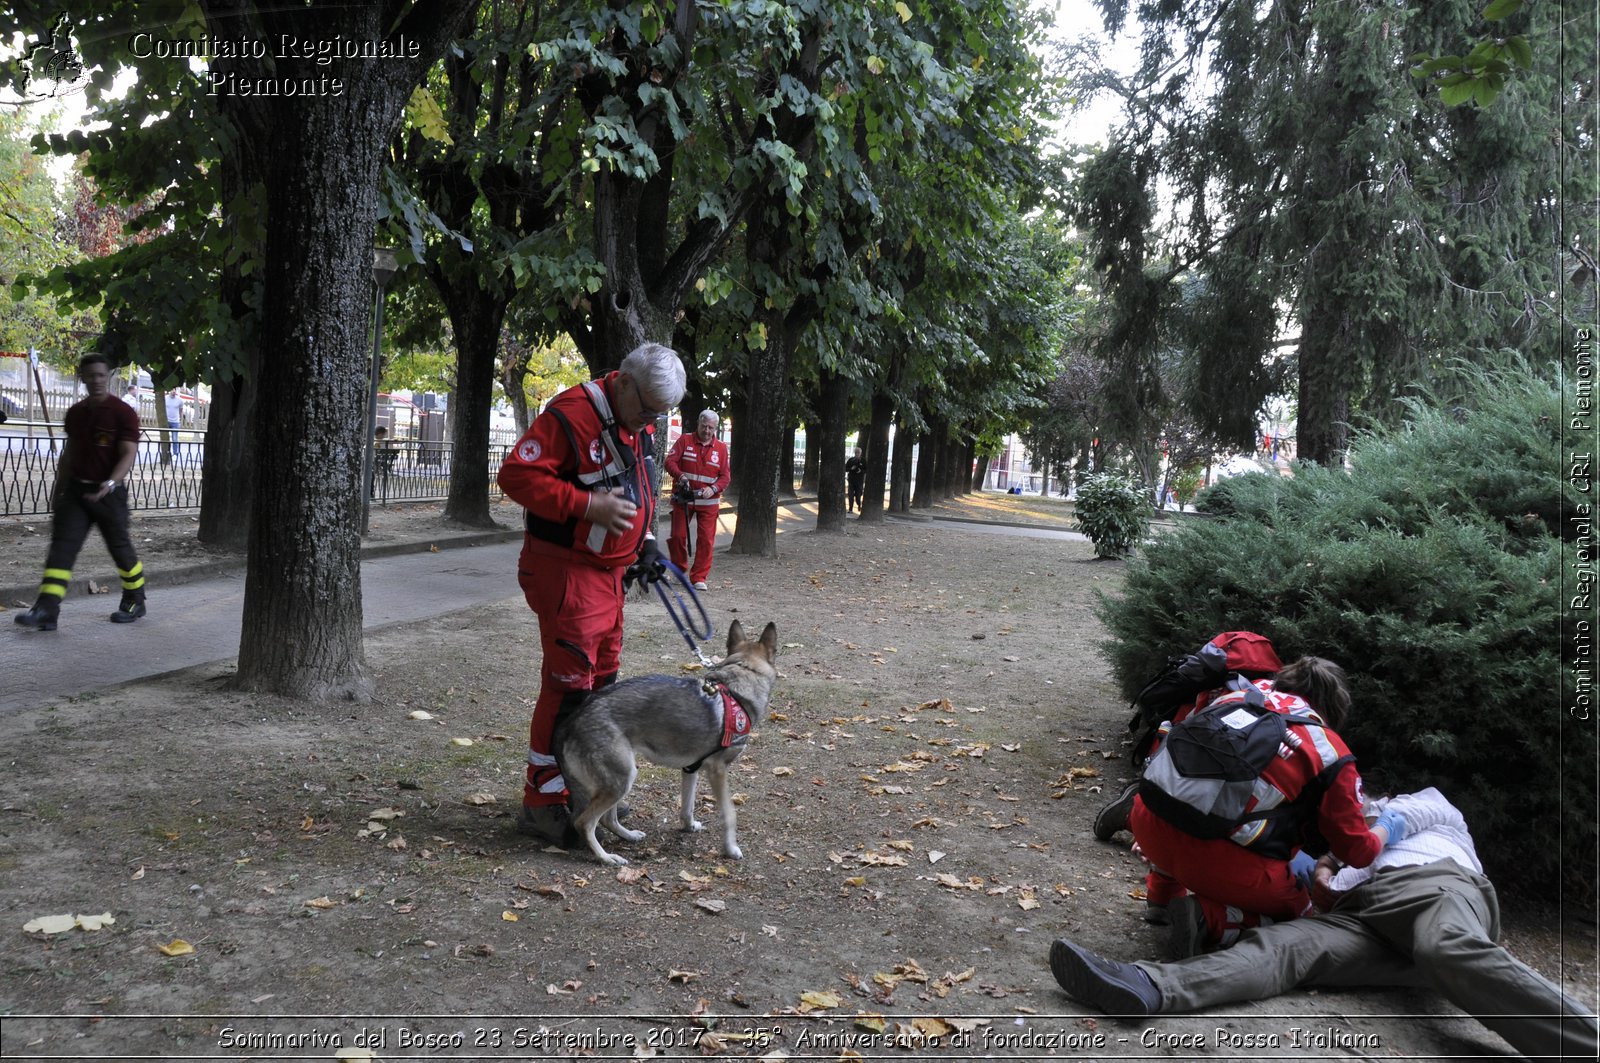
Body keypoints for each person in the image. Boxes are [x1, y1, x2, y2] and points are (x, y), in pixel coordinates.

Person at [1049, 788, 1598, 1061]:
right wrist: (1327, 870)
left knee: (1446, 947)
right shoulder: (1335, 848)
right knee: (1284, 948)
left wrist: (1359, 841)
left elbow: (1415, 817)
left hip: (1430, 889)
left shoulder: (1417, 806)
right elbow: (1322, 889)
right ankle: (1149, 986)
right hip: (1367, 923)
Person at [495, 341, 686, 845]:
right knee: (569, 693)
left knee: (602, 690)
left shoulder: (635, 421)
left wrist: (646, 542)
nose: (651, 421)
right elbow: (514, 477)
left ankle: (586, 794)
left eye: (660, 414)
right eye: (646, 408)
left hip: (608, 575)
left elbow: (636, 489)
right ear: (623, 382)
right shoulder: (570, 416)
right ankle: (542, 803)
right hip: (566, 572)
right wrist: (584, 506)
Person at [1129, 656, 1396, 950]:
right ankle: (1211, 919)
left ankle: (1162, 895)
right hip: (1218, 863)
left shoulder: (1235, 696)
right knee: (1299, 913)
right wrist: (1386, 826)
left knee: (1195, 802)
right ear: (1334, 707)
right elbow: (1357, 852)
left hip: (1148, 822)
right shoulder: (1328, 750)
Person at [14, 352, 147, 631]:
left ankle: (135, 600)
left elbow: (127, 454)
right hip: (77, 493)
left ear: (108, 376)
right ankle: (46, 610)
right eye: (91, 375)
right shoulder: (76, 413)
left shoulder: (123, 413)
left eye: (102, 375)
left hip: (109, 494)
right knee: (61, 550)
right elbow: (70, 453)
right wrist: (59, 489)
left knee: (120, 550)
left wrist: (110, 483)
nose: (97, 380)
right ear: (82, 377)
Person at [665, 408, 729, 591]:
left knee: (706, 540)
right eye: (704, 426)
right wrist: (680, 476)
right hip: (683, 499)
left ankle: (699, 577)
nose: (707, 431)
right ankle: (678, 571)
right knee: (677, 536)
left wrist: (714, 488)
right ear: (698, 424)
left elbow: (725, 477)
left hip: (708, 503)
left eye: (711, 428)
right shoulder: (684, 440)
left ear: (715, 428)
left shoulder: (722, 449)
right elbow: (669, 462)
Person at [844, 447, 865, 512]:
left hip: (859, 481)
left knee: (858, 496)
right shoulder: (851, 460)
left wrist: (861, 471)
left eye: (858, 452)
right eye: (856, 452)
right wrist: (851, 469)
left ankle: (859, 505)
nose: (857, 454)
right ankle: (850, 509)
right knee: (850, 495)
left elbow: (866, 469)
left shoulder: (863, 460)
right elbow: (845, 469)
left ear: (860, 453)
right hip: (851, 480)